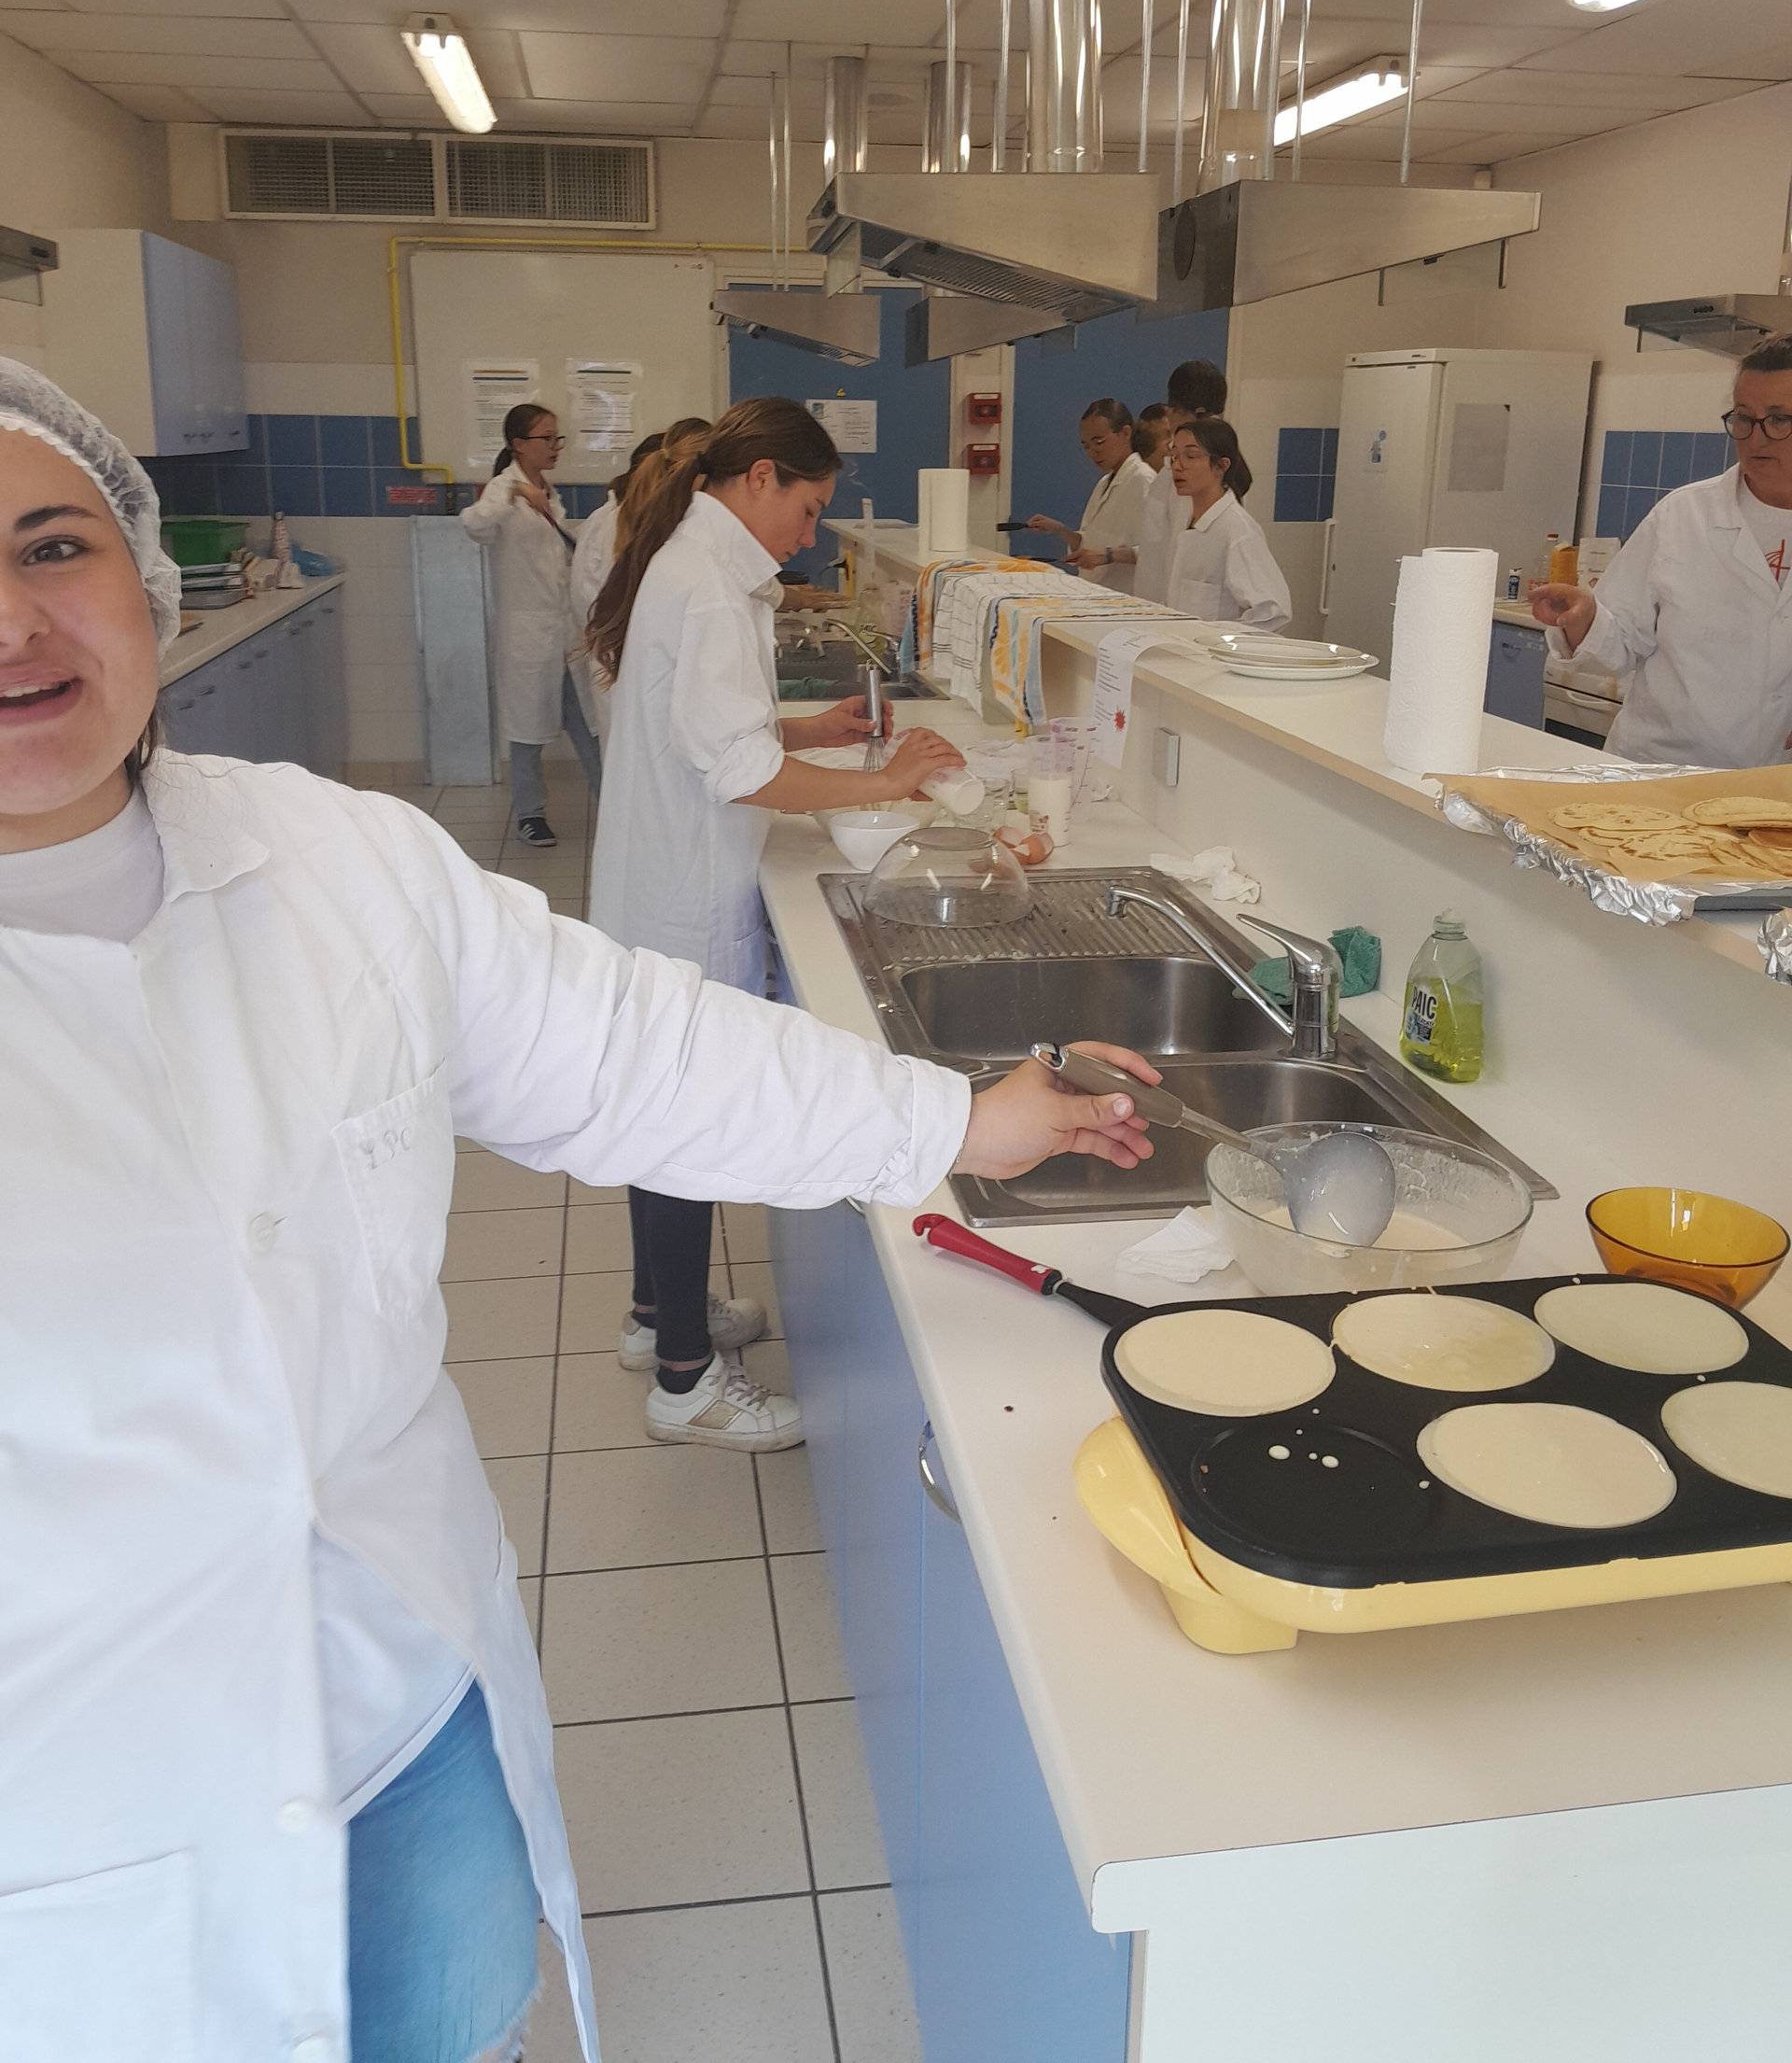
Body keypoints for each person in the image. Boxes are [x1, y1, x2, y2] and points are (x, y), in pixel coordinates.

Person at [0, 356, 1158, 2063]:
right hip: (77, 1812)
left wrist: (957, 1120)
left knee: (464, 2024)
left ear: (140, 573)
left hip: (402, 1704)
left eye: (52, 548)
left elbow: (633, 1052)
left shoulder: (334, 862)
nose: (16, 623)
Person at [587, 395, 980, 1449]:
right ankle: (686, 1382)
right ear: (759, 478)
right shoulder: (709, 585)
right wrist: (884, 781)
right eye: (808, 508)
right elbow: (740, 771)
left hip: (661, 885)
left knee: (657, 1115)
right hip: (680, 899)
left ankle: (657, 1313)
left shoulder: (696, 565)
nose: (810, 535)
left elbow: (709, 729)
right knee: (681, 1126)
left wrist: (811, 730)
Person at [1530, 336, 1792, 766]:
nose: (1755, 437)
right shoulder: (1684, 515)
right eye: (1744, 418)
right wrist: (1586, 619)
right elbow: (1620, 639)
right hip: (1659, 770)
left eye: (1779, 419)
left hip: (1773, 788)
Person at [460, 400, 602, 849]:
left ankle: (613, 805)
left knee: (590, 725)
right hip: (527, 635)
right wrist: (517, 493)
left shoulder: (550, 492)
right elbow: (474, 525)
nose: (556, 446)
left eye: (558, 438)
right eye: (547, 438)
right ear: (518, 444)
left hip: (565, 631)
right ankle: (530, 814)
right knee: (526, 732)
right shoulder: (503, 488)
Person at [570, 417, 711, 744]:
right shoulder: (626, 526)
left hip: (629, 671)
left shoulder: (649, 523)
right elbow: (589, 602)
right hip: (630, 672)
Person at [1164, 414, 1292, 630]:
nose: (1178, 466)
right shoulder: (1187, 520)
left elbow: (1273, 612)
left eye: (1191, 456)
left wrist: (1217, 639)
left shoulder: (1237, 529)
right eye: (1174, 456)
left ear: (1221, 466)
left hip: (1211, 649)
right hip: (1184, 643)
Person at [1025, 398, 1155, 591]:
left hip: (1125, 594)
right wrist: (1061, 530)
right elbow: (1088, 544)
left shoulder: (1143, 479)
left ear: (1125, 433)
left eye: (1099, 442)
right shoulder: (1104, 483)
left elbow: (1156, 552)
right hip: (1095, 589)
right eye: (1086, 446)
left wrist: (1107, 556)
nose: (1092, 452)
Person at [1137, 358, 1229, 606]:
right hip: (1161, 606)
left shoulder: (1204, 478)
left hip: (1186, 612)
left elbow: (1271, 609)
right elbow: (1161, 544)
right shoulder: (1174, 471)